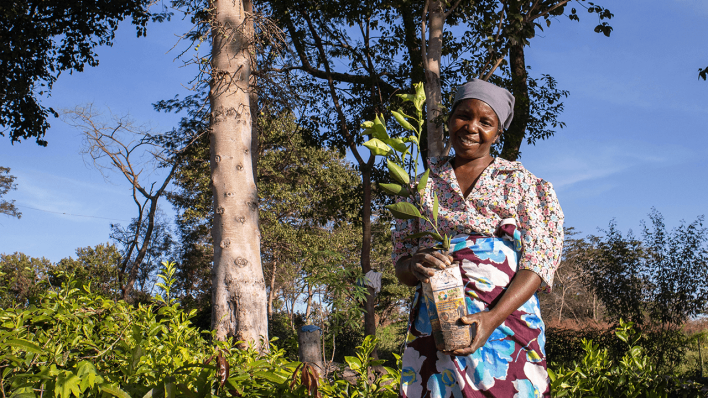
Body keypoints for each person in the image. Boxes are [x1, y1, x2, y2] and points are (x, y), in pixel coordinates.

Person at [393, 79, 564, 397]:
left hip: (503, 320)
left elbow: (539, 264)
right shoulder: (421, 186)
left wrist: (490, 319)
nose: (471, 127)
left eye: (486, 121)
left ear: (498, 133)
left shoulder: (522, 184)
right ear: (449, 119)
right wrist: (414, 264)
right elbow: (401, 266)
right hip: (436, 322)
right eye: (463, 115)